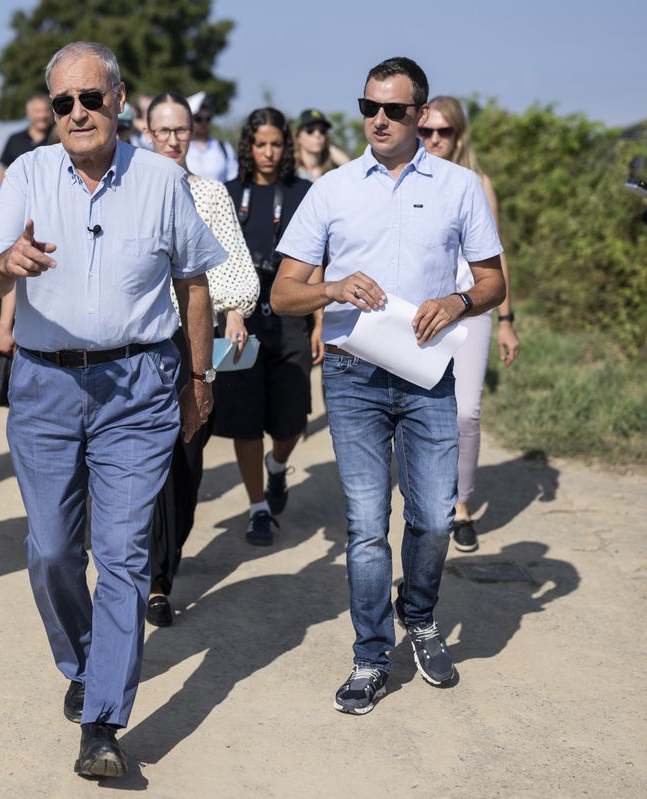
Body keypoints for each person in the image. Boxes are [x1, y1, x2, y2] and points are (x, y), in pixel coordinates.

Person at [0, 41, 227, 779]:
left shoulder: (160, 179)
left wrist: (198, 377)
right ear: (51, 112)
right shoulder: (26, 173)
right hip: (46, 385)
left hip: (138, 386)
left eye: (91, 98)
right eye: (63, 103)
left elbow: (195, 286)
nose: (78, 112)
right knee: (52, 549)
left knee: (120, 554)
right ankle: (85, 660)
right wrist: (5, 264)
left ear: (119, 100)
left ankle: (104, 722)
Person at [272, 57, 506, 715]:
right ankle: (371, 656)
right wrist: (330, 288)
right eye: (368, 107)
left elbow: (493, 281)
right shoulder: (333, 189)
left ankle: (422, 616)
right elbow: (284, 293)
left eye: (393, 110)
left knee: (433, 515)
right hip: (352, 376)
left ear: (419, 114)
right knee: (367, 526)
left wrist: (459, 301)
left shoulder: (459, 187)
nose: (378, 118)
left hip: (429, 375)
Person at [143, 91, 259, 626]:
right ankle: (154, 579)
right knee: (145, 462)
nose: (171, 140)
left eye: (180, 131)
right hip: (139, 347)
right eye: (162, 131)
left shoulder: (210, 194)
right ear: (146, 134)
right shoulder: (129, 192)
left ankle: (167, 557)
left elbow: (232, 262)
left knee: (187, 462)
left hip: (194, 345)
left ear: (192, 134)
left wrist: (235, 309)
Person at [420, 96, 520, 552]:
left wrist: (507, 319)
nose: (436, 139)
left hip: (472, 308)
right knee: (415, 409)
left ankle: (461, 508)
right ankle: (424, 499)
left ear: (459, 135)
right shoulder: (410, 179)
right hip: (419, 310)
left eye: (445, 132)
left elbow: (497, 259)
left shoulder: (478, 184)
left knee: (465, 413)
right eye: (427, 132)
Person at [219, 108, 321, 545]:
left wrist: (318, 321)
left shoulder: (303, 192)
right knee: (244, 421)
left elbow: (318, 257)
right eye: (260, 144)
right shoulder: (227, 193)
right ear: (248, 145)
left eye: (276, 144)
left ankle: (277, 465)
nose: (268, 152)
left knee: (292, 419)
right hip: (239, 322)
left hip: (291, 318)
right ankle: (257, 507)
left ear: (287, 146)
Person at [0, 92, 52, 181]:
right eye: (38, 111)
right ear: (28, 113)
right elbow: (3, 173)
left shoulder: (58, 139)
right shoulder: (14, 140)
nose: (43, 115)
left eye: (46, 110)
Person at [184, 93, 238, 183]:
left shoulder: (224, 148)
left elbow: (233, 178)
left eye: (208, 119)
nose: (204, 123)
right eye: (198, 119)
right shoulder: (182, 147)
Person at [294, 108, 350, 181]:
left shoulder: (331, 172)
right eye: (310, 130)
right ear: (298, 136)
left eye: (322, 131)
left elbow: (350, 168)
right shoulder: (292, 172)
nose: (317, 134)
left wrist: (328, 145)